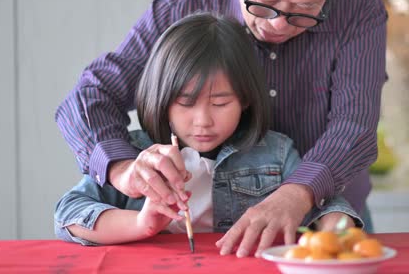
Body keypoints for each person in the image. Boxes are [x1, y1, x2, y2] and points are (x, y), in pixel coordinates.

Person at [55, 0, 387, 257]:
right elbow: (90, 96)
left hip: (323, 218)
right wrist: (123, 170)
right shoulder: (183, 10)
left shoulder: (358, 12)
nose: (277, 24)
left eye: (304, 11)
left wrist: (298, 192)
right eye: (264, 0)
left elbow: (354, 126)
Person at [54, 13, 361, 246]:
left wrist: (335, 224)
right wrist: (142, 224)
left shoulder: (276, 153)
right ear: (161, 99)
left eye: (220, 102)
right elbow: (68, 215)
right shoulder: (139, 157)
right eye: (186, 103)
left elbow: (328, 207)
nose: (203, 121)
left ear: (244, 99)